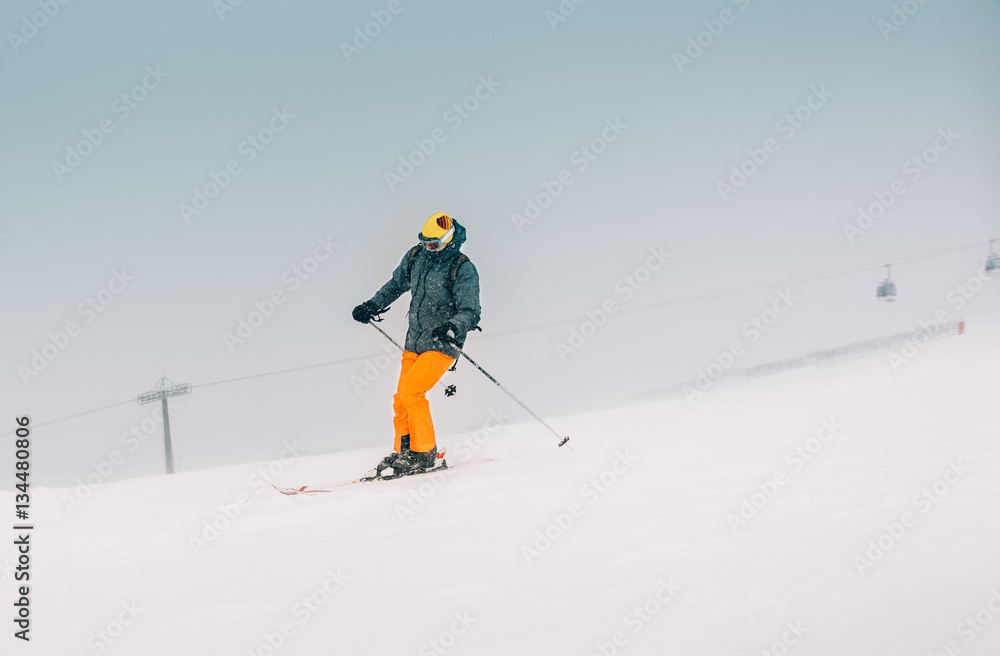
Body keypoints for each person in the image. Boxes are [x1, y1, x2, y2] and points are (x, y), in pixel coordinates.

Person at [352, 213, 481, 474]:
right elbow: (396, 285)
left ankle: (424, 454)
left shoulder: (462, 267)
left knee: (412, 392)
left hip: (443, 343)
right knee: (401, 399)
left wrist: (453, 326)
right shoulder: (416, 257)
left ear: (449, 240)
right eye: (424, 242)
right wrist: (372, 305)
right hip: (415, 341)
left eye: (433, 244)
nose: (428, 248)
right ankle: (405, 452)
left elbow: (471, 310)